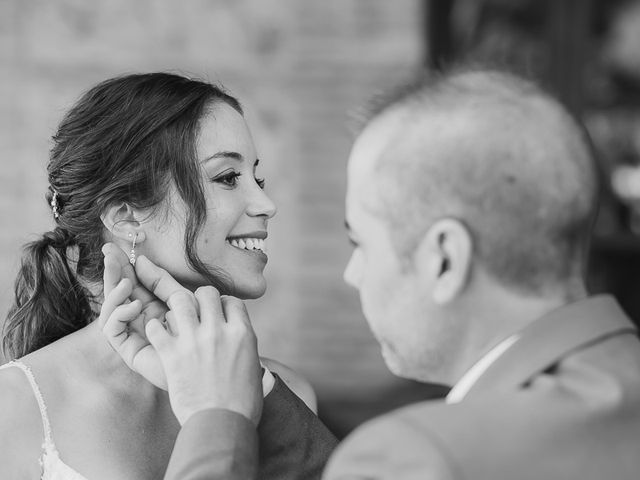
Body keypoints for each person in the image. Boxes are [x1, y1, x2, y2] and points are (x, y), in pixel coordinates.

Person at [104, 67, 640, 480]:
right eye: (228, 176)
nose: (352, 274)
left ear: (444, 258)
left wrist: (213, 417)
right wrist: (252, 390)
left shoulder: (417, 457)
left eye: (360, 242)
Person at [0, 72, 337, 479]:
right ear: (126, 216)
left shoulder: (283, 393)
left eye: (256, 177)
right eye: (227, 177)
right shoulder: (14, 408)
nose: (266, 204)